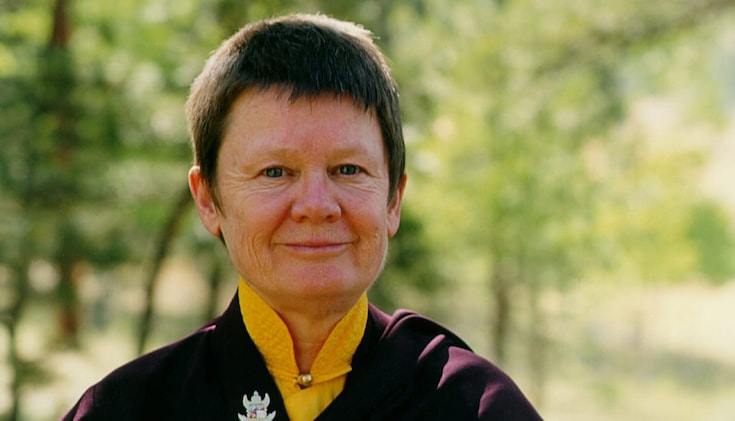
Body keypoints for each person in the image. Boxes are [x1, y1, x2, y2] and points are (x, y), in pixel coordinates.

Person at [60, 13, 543, 421]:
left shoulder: (472, 405)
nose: (316, 205)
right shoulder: (131, 408)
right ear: (208, 199)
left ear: (393, 199)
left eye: (348, 169)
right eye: (275, 172)